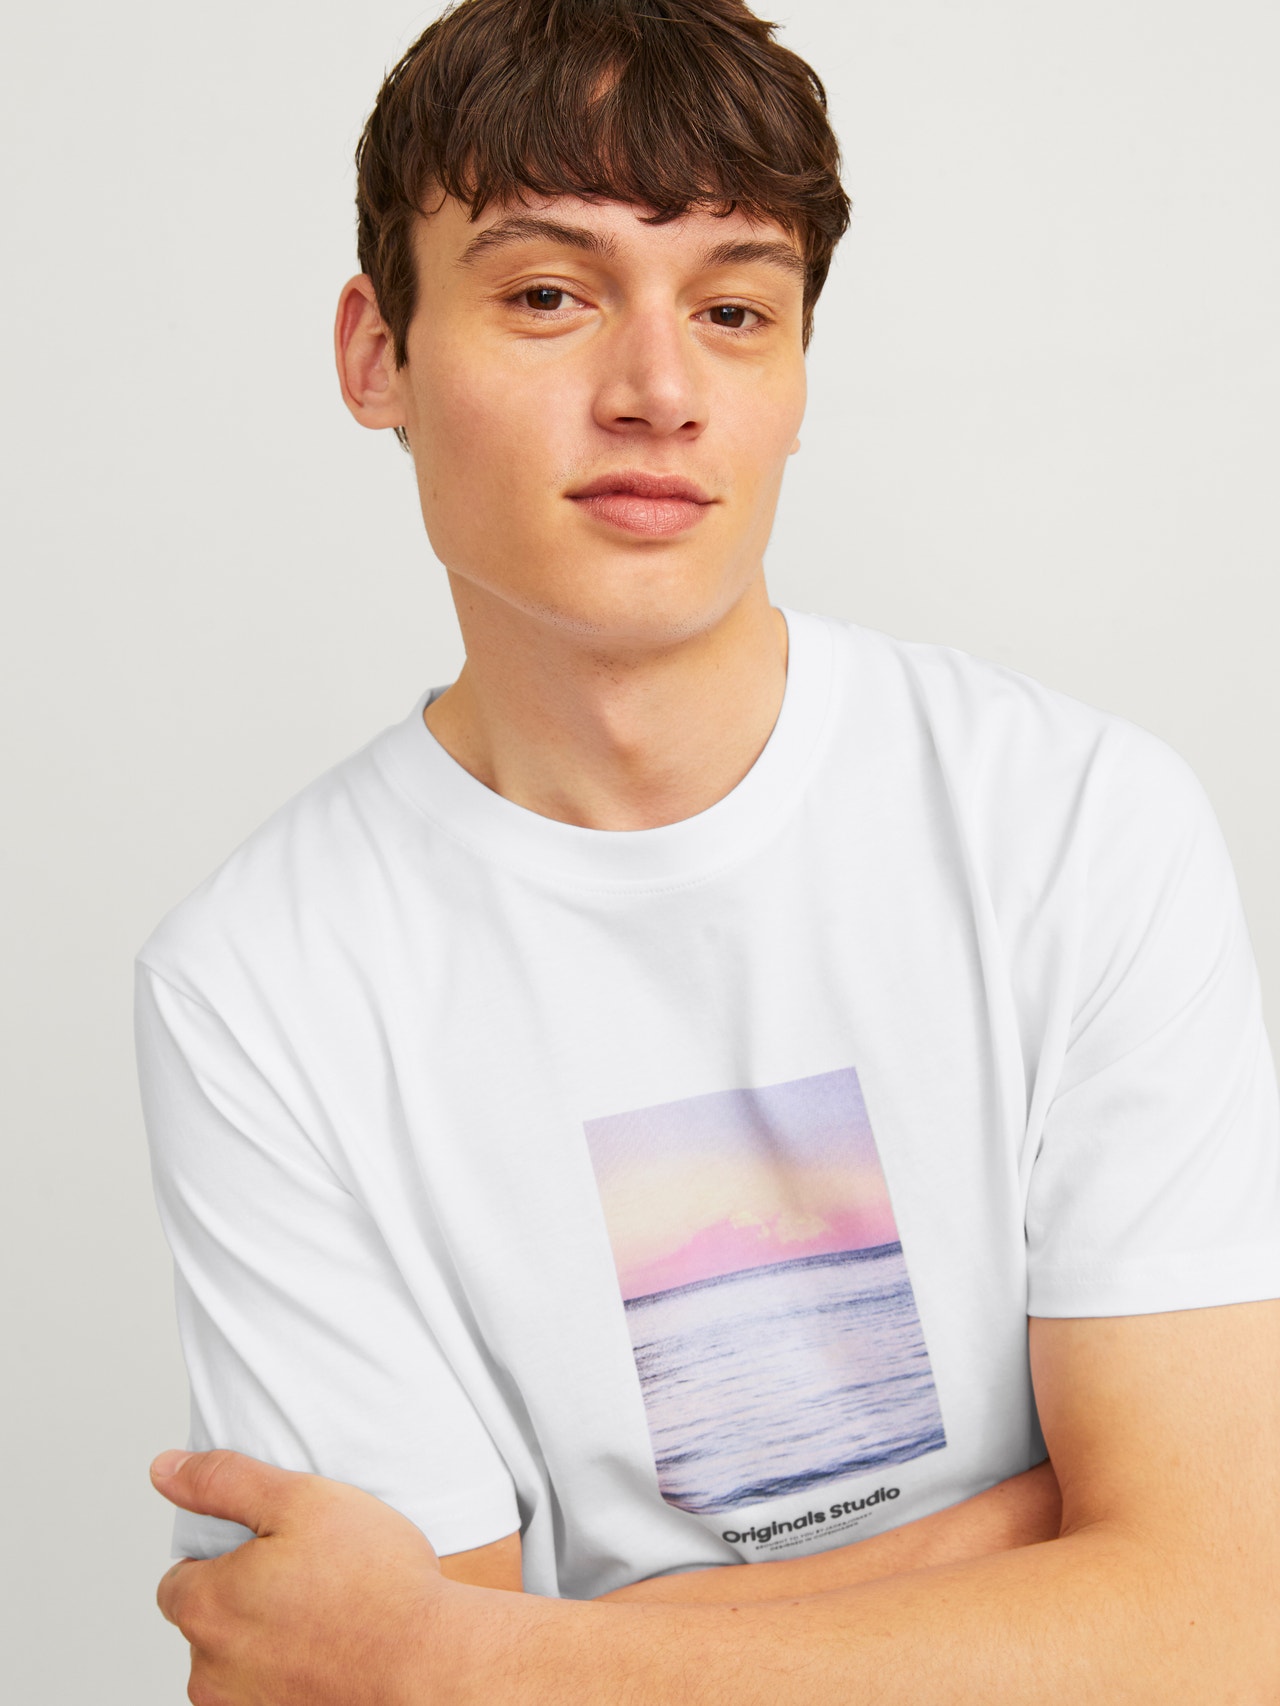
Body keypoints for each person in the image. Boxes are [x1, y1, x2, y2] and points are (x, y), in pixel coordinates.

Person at [135, 1, 1280, 1700]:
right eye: (549, 294)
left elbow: (1224, 1625)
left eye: (735, 310)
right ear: (378, 354)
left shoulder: (1073, 823)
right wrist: (1068, 1534)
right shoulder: (257, 987)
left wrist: (482, 1652)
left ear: (797, 373)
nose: (659, 393)